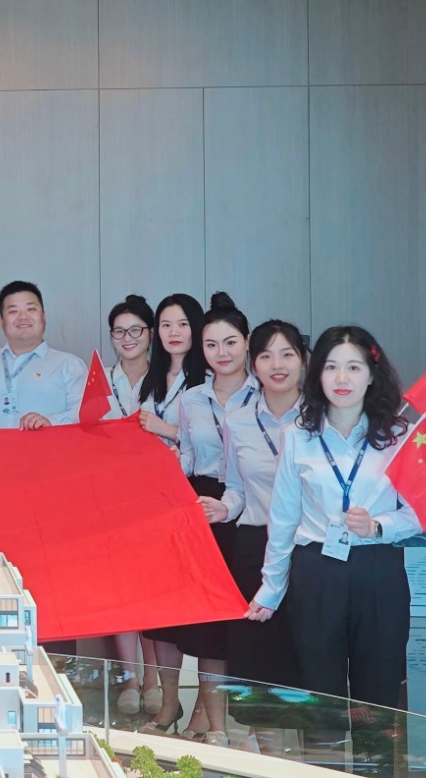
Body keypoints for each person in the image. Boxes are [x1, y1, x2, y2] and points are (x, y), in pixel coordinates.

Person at [247, 326, 419, 715]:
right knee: (319, 689)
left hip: (378, 568)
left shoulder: (400, 436)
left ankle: (374, 754)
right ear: (317, 374)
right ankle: (326, 753)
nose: (342, 379)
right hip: (317, 569)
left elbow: (418, 512)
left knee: (379, 687)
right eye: (331, 367)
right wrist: (271, 587)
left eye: (354, 367)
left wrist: (378, 526)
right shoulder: (298, 435)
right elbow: (284, 519)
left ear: (371, 375)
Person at [208, 319, 305, 742]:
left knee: (306, 656)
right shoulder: (238, 419)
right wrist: (223, 508)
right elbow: (236, 488)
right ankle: (268, 757)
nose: (277, 365)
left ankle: (311, 758)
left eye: (287, 354)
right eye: (266, 355)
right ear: (253, 362)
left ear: (303, 361)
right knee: (258, 662)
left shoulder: (321, 417)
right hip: (254, 547)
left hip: (307, 549)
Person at [170, 292, 257, 746]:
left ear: (247, 342)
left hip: (255, 512)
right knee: (209, 625)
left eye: (230, 342)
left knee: (248, 620)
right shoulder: (192, 399)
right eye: (211, 345)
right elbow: (187, 456)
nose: (221, 353)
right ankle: (216, 729)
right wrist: (159, 467)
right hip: (205, 510)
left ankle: (253, 725)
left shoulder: (265, 395)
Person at [137, 292, 206, 736]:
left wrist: (165, 430)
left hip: (197, 500)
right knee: (159, 612)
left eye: (182, 324)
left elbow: (216, 440)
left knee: (197, 614)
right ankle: (168, 703)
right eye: (165, 324)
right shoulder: (152, 378)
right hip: (152, 502)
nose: (174, 332)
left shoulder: (208, 377)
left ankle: (203, 709)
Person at [101, 294, 161, 716]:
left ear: (150, 334)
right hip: (111, 497)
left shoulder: (169, 379)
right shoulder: (100, 381)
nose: (127, 338)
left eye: (135, 330)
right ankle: (130, 678)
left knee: (153, 590)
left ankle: (155, 679)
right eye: (119, 331)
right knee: (119, 588)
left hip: (158, 495)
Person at [0, 281, 87, 430]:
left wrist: (51, 422)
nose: (23, 317)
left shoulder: (69, 364)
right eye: (13, 311)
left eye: (31, 309)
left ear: (44, 316)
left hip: (49, 446)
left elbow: (85, 414)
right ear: (2, 321)